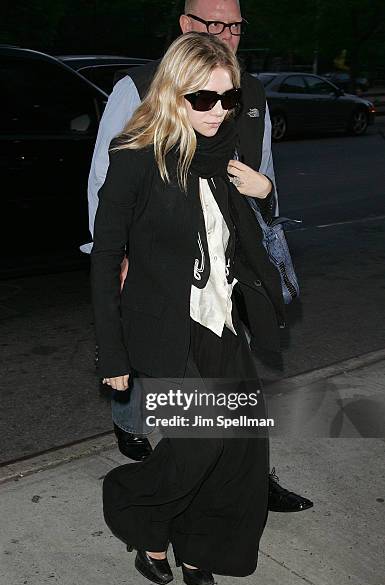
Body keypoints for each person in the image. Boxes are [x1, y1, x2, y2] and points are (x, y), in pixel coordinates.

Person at [87, 0, 313, 513]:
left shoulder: (248, 94)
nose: (227, 33)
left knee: (234, 410)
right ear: (186, 26)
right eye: (215, 24)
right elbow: (106, 184)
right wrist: (118, 257)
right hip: (161, 276)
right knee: (192, 415)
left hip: (225, 281)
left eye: (235, 24)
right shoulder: (138, 88)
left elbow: (257, 185)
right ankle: (139, 452)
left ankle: (247, 484)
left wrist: (267, 194)